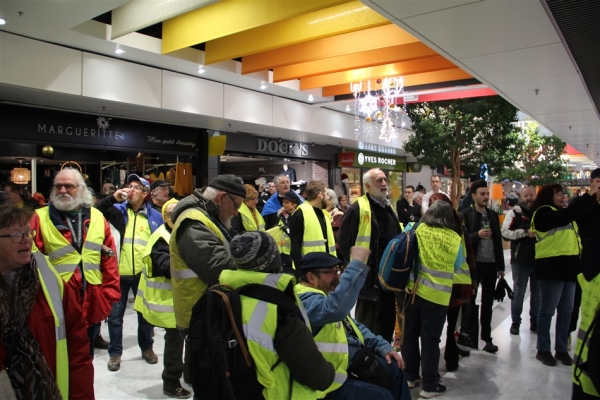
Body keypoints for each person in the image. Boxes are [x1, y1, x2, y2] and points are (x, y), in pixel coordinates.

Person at [219, 231, 335, 399]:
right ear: (273, 261)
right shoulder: (279, 308)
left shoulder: (221, 295)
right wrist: (331, 372)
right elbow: (316, 376)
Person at [0, 203, 94, 399]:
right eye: (16, 235)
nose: (26, 241)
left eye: (28, 233)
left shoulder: (47, 274)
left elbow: (77, 347)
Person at [30, 168, 120, 358]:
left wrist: (109, 295)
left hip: (92, 300)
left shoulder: (97, 217)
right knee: (57, 357)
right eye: (58, 186)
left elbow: (109, 259)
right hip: (56, 303)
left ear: (81, 189)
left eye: (68, 186)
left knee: (85, 358)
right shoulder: (39, 218)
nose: (62, 190)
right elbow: (29, 264)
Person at [296, 250, 411, 400]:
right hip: (330, 383)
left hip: (348, 366)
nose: (337, 276)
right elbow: (335, 308)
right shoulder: (303, 301)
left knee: (395, 369)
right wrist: (356, 266)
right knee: (382, 397)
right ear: (311, 277)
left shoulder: (324, 294)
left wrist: (382, 346)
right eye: (330, 272)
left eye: (337, 271)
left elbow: (354, 327)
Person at [95, 173, 164, 372]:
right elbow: (93, 212)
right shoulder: (116, 210)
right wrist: (112, 198)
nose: (130, 190)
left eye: (136, 187)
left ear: (145, 193)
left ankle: (147, 348)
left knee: (145, 314)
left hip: (143, 274)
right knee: (115, 316)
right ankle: (115, 353)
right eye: (129, 186)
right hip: (118, 273)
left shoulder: (155, 216)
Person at [530, 182, 600, 366]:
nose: (563, 197)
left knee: (566, 312)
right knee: (547, 311)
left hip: (569, 269)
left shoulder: (565, 215)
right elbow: (567, 215)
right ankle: (543, 349)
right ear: (548, 197)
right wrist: (587, 195)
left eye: (564, 194)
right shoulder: (543, 213)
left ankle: (561, 349)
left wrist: (597, 202)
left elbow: (584, 219)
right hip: (550, 269)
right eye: (559, 194)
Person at [402, 200, 463, 398]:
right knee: (431, 340)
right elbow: (457, 265)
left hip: (411, 293)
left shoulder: (414, 228)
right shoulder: (455, 237)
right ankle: (429, 386)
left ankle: (410, 377)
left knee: (409, 336)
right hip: (438, 297)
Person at [169, 174, 246, 330]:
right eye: (236, 206)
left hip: (210, 310)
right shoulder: (193, 223)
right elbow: (217, 268)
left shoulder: (212, 218)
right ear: (222, 197)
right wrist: (254, 260)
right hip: (200, 316)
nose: (236, 213)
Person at [134, 198, 192, 399]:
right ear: (166, 216)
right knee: (174, 343)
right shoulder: (161, 237)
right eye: (171, 213)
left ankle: (189, 374)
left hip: (185, 300)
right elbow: (164, 266)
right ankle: (171, 382)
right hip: (168, 302)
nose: (175, 216)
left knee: (190, 340)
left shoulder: (183, 233)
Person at [338, 168, 402, 342]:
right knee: (367, 326)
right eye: (378, 181)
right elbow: (345, 242)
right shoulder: (357, 208)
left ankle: (385, 359)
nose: (384, 184)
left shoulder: (388, 207)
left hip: (387, 279)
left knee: (386, 324)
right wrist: (358, 266)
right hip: (368, 278)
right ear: (367, 186)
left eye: (384, 180)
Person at [461, 179, 505, 353]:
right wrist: (476, 235)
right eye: (482, 194)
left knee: (488, 302)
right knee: (469, 302)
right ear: (473, 196)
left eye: (487, 194)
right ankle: (466, 338)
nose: (486, 197)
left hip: (491, 265)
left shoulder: (493, 215)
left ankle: (486, 337)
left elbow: (498, 243)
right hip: (474, 265)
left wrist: (501, 266)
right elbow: (463, 241)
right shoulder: (466, 214)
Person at [501, 186, 540, 335]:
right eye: (526, 196)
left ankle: (535, 322)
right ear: (521, 197)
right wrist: (525, 233)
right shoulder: (514, 213)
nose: (529, 198)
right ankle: (515, 321)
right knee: (519, 292)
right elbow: (505, 232)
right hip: (520, 260)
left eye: (531, 195)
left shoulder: (541, 212)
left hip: (539, 259)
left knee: (538, 294)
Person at [289, 180, 337, 268]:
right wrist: (301, 271)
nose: (328, 198)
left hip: (326, 266)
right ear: (320, 196)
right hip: (309, 269)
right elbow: (295, 248)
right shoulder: (300, 214)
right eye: (326, 194)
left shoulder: (324, 214)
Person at [269, 190, 301, 276]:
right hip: (281, 253)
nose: (284, 204)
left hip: (293, 253)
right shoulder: (281, 216)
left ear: (294, 204)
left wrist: (287, 230)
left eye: (287, 202)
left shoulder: (298, 216)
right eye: (283, 202)